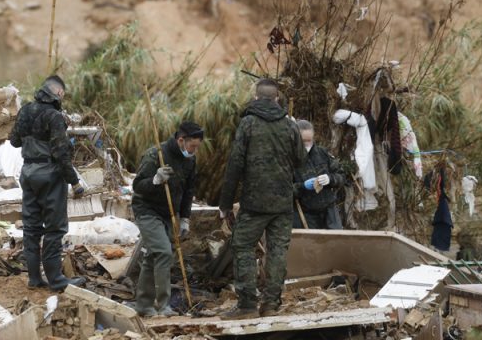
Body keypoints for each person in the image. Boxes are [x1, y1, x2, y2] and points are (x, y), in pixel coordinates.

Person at [218, 79, 305, 319]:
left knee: (243, 247)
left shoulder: (247, 123)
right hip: (282, 203)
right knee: (277, 251)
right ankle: (271, 305)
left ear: (256, 98)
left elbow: (234, 165)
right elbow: (301, 160)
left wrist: (225, 204)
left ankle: (247, 306)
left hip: (254, 203)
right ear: (277, 99)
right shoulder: (290, 126)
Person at [9, 75, 86, 292]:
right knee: (54, 228)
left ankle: (34, 278)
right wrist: (75, 182)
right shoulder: (54, 116)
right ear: (59, 94)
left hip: (28, 172)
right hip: (50, 174)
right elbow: (61, 153)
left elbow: (14, 141)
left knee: (31, 227)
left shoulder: (25, 111)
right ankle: (56, 280)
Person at [128, 121, 204, 317]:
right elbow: (137, 186)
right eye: (192, 146)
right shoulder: (156, 154)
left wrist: (185, 217)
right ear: (181, 140)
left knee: (153, 256)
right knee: (163, 252)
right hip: (146, 208)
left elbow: (189, 190)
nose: (194, 150)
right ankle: (163, 306)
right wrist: (155, 180)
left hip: (168, 212)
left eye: (197, 146)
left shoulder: (190, 160)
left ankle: (143, 305)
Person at [293, 120, 346, 230]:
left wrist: (330, 179)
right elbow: (283, 191)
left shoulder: (322, 153)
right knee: (311, 245)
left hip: (330, 211)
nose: (307, 144)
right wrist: (303, 186)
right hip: (305, 214)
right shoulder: (289, 159)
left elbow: (342, 176)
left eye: (310, 140)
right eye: (303, 141)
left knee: (336, 243)